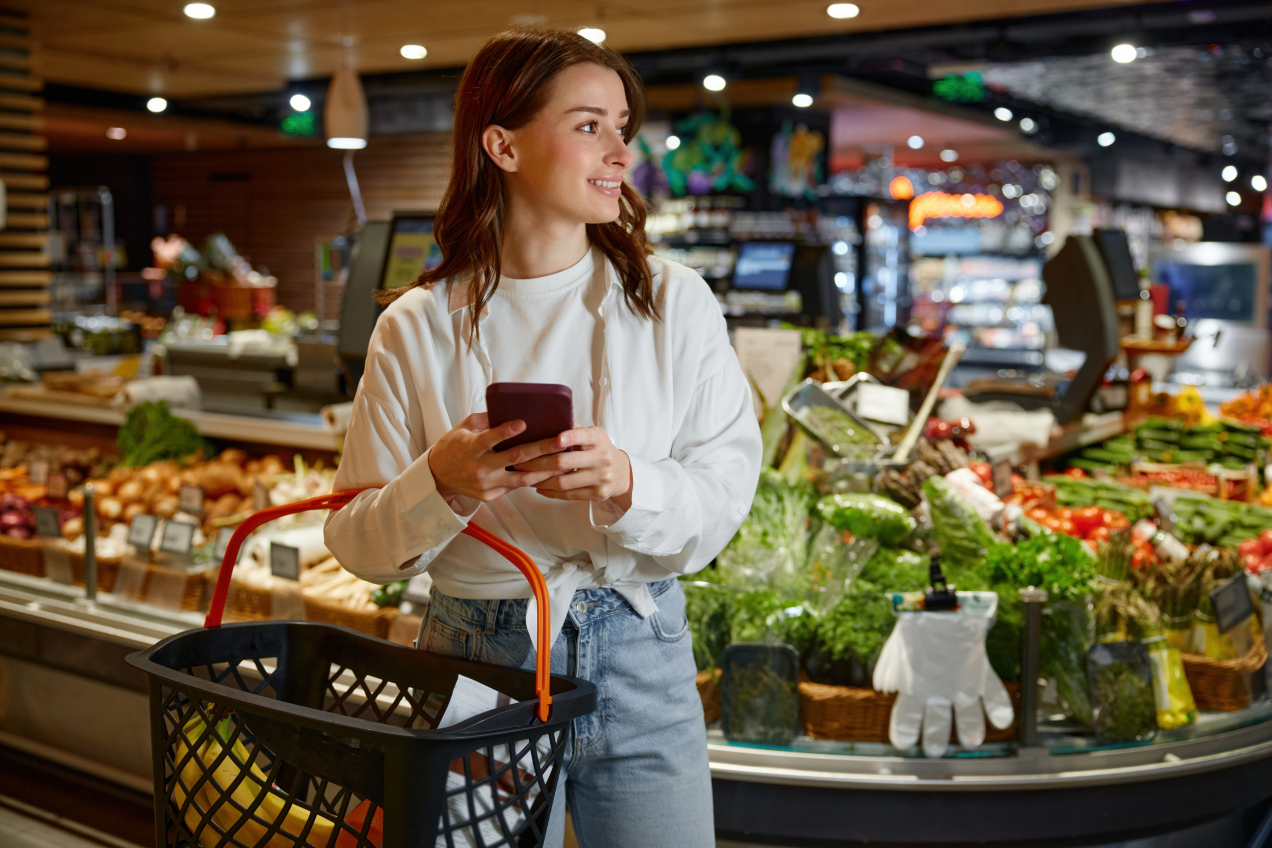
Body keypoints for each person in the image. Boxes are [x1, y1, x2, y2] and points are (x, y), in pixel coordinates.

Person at [324, 26, 761, 848]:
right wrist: (442, 483)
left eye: (623, 128)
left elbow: (726, 491)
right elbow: (356, 542)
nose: (620, 152)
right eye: (589, 124)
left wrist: (630, 481)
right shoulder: (413, 327)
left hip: (644, 649)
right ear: (503, 144)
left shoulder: (675, 301)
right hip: (479, 659)